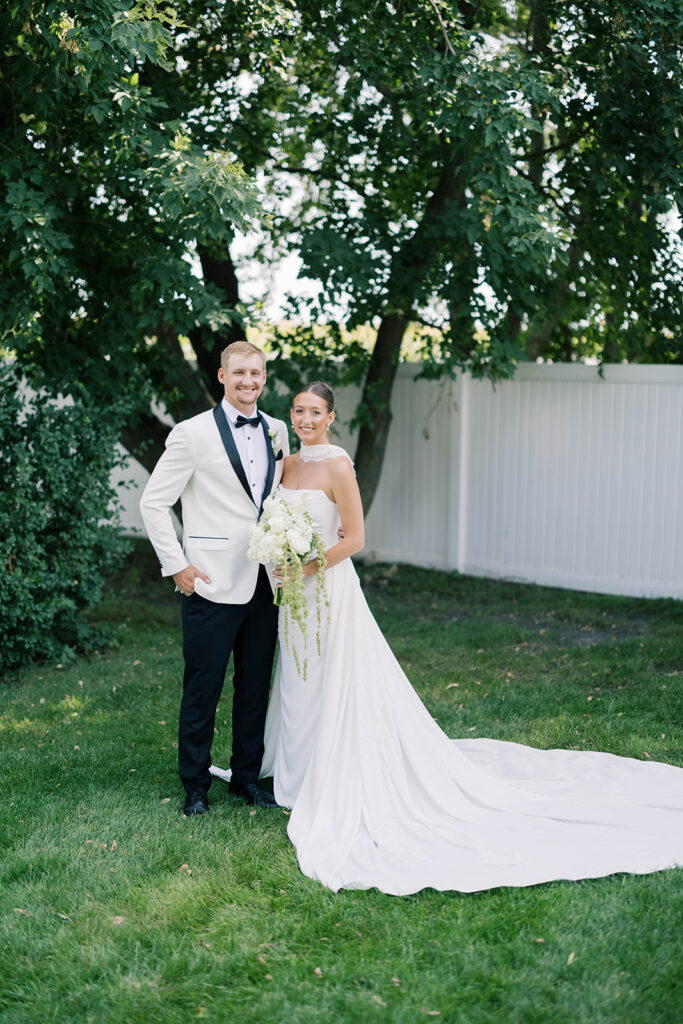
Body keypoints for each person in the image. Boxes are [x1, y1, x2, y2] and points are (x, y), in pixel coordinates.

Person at [213, 380, 683, 895]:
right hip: (293, 596)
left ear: (330, 416)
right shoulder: (286, 463)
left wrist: (306, 565)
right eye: (298, 410)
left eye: (315, 412)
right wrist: (280, 558)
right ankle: (294, 776)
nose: (304, 419)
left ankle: (332, 776)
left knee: (331, 677)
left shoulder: (339, 466)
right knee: (298, 681)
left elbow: (355, 537)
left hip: (327, 591)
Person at [140, 341, 289, 816]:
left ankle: (247, 778)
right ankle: (195, 785)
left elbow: (280, 497)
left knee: (254, 686)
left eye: (257, 373)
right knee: (203, 687)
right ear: (222, 376)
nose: (249, 381)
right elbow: (154, 502)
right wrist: (176, 565)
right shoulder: (191, 433)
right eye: (240, 372)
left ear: (265, 377)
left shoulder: (278, 430)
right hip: (209, 580)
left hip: (266, 580)